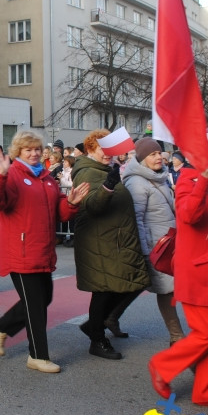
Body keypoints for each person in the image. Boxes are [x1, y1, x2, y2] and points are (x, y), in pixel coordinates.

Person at [0, 133, 88, 373]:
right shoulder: (12, 175)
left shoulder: (45, 177)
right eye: (28, 149)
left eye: (38, 149)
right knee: (34, 305)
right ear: (18, 152)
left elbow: (59, 212)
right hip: (20, 250)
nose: (34, 153)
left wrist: (70, 202)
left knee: (43, 299)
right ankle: (37, 355)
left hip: (42, 249)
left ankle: (1, 327)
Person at [148, 136, 208, 410]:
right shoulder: (190, 177)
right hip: (197, 270)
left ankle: (206, 390)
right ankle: (162, 366)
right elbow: (188, 215)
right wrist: (202, 180)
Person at [71, 129, 149, 360]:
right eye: (102, 150)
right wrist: (107, 187)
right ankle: (97, 339)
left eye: (110, 150)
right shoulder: (86, 172)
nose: (108, 155)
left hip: (113, 240)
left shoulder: (103, 169)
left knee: (131, 282)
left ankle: (95, 325)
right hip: (100, 242)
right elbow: (93, 206)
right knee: (103, 291)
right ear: (90, 149)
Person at [121, 137, 185, 346]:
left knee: (158, 286)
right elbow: (136, 218)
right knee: (167, 289)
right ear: (142, 159)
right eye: (153, 154)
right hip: (155, 246)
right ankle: (176, 335)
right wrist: (143, 248)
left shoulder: (159, 177)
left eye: (159, 153)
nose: (159, 157)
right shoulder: (137, 182)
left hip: (168, 242)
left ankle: (110, 318)